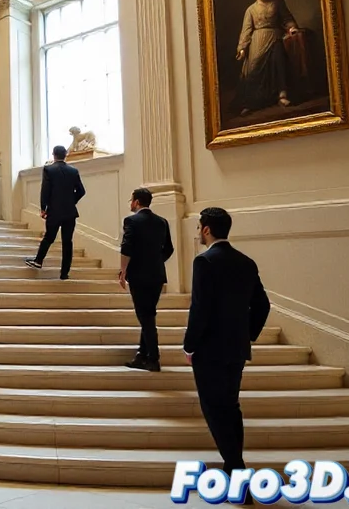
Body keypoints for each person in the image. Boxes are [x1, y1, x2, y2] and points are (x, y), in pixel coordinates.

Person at [184, 207, 271, 488]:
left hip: (210, 350)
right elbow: (263, 305)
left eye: (199, 227)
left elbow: (200, 309)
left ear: (207, 229)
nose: (198, 232)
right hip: (236, 348)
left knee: (214, 409)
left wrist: (190, 345)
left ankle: (236, 469)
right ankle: (233, 463)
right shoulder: (246, 262)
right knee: (231, 407)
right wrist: (246, 334)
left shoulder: (204, 261)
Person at [118, 187, 175, 372]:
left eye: (131, 200)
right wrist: (155, 261)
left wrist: (123, 271)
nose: (131, 204)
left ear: (136, 202)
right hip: (157, 275)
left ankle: (153, 358)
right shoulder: (162, 222)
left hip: (139, 276)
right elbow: (169, 249)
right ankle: (142, 355)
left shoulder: (131, 221)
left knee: (146, 317)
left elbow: (127, 247)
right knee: (148, 314)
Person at [234, 0, 301, 117]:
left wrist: (292, 28)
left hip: (275, 37)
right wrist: (242, 48)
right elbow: (246, 30)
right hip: (257, 41)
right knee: (254, 68)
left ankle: (282, 95)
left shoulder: (278, 2)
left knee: (279, 63)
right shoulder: (251, 10)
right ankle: (251, 102)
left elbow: (286, 18)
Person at [24, 145, 86, 280]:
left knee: (49, 237)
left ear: (53, 155)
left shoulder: (49, 170)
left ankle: (38, 261)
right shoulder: (73, 171)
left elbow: (45, 190)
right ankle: (64, 273)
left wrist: (43, 208)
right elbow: (81, 191)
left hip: (54, 211)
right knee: (67, 242)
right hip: (70, 213)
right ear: (66, 155)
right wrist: (71, 201)